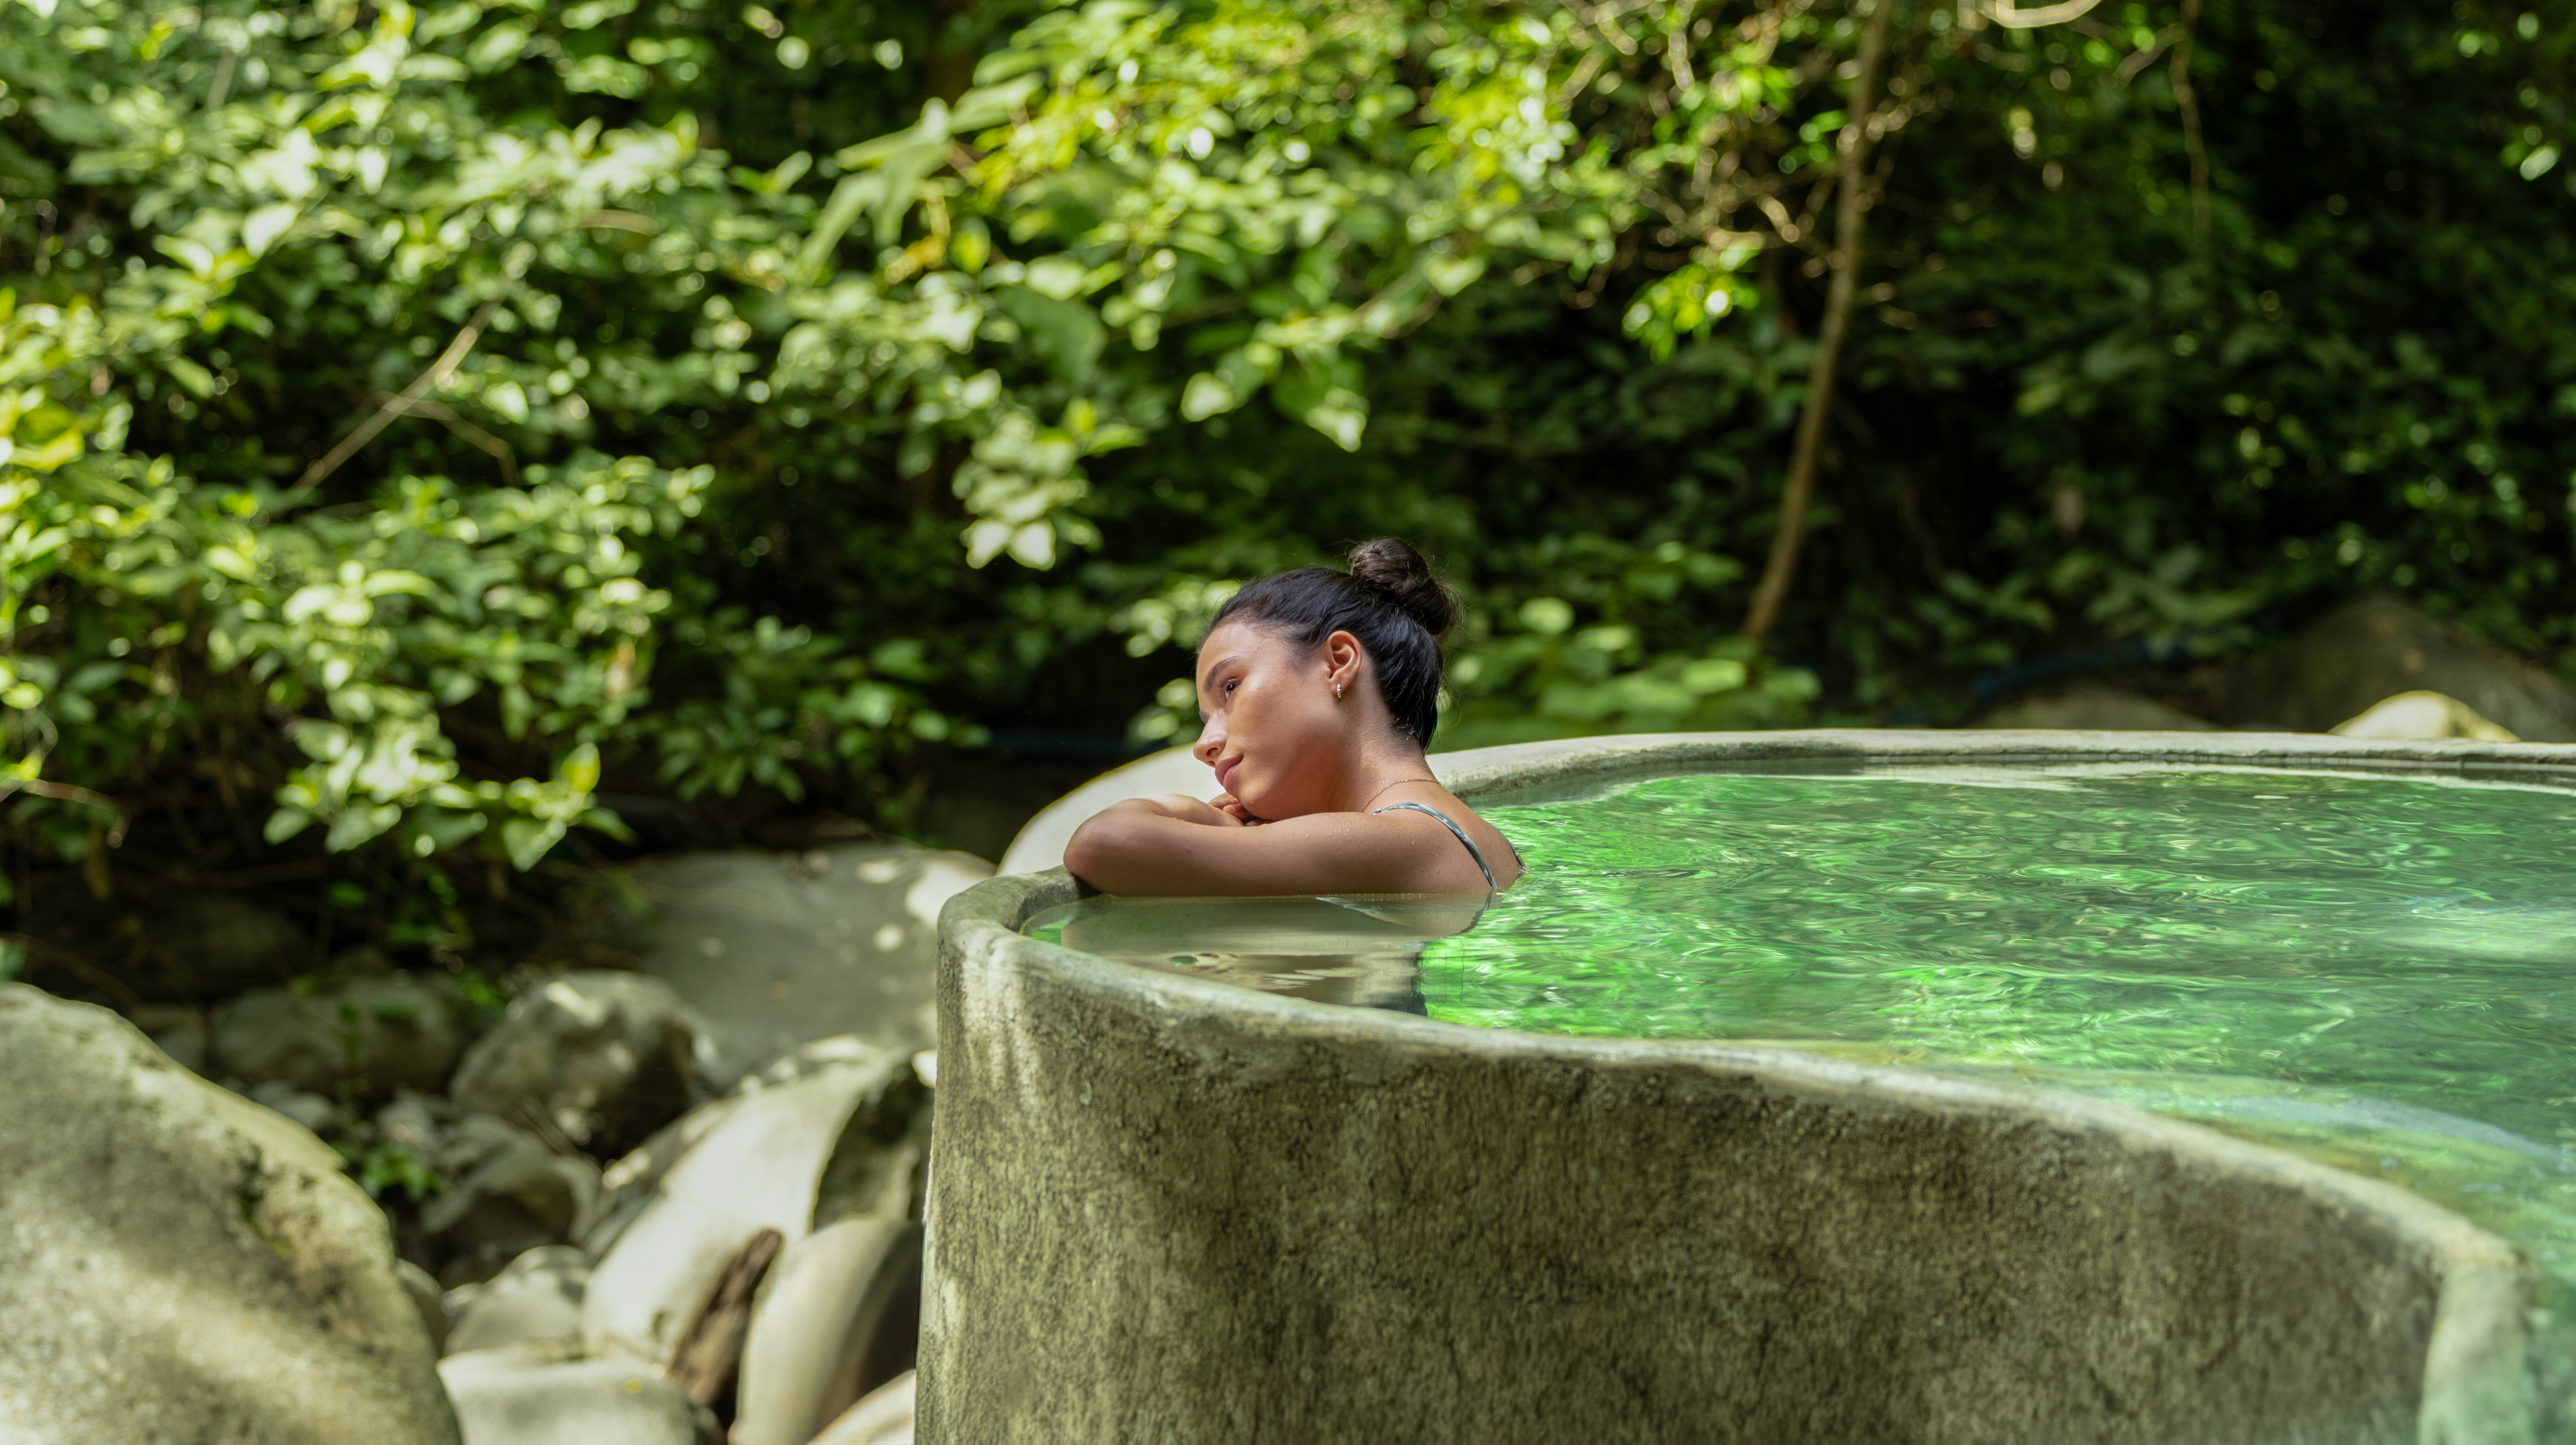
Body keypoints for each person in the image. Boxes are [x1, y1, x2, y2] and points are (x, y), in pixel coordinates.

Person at [1063, 539, 1523, 897]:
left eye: (1231, 688)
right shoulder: (1447, 831)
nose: (1204, 744)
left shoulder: (1398, 839)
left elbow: (1105, 844)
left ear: (1338, 662)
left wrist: (1205, 818)